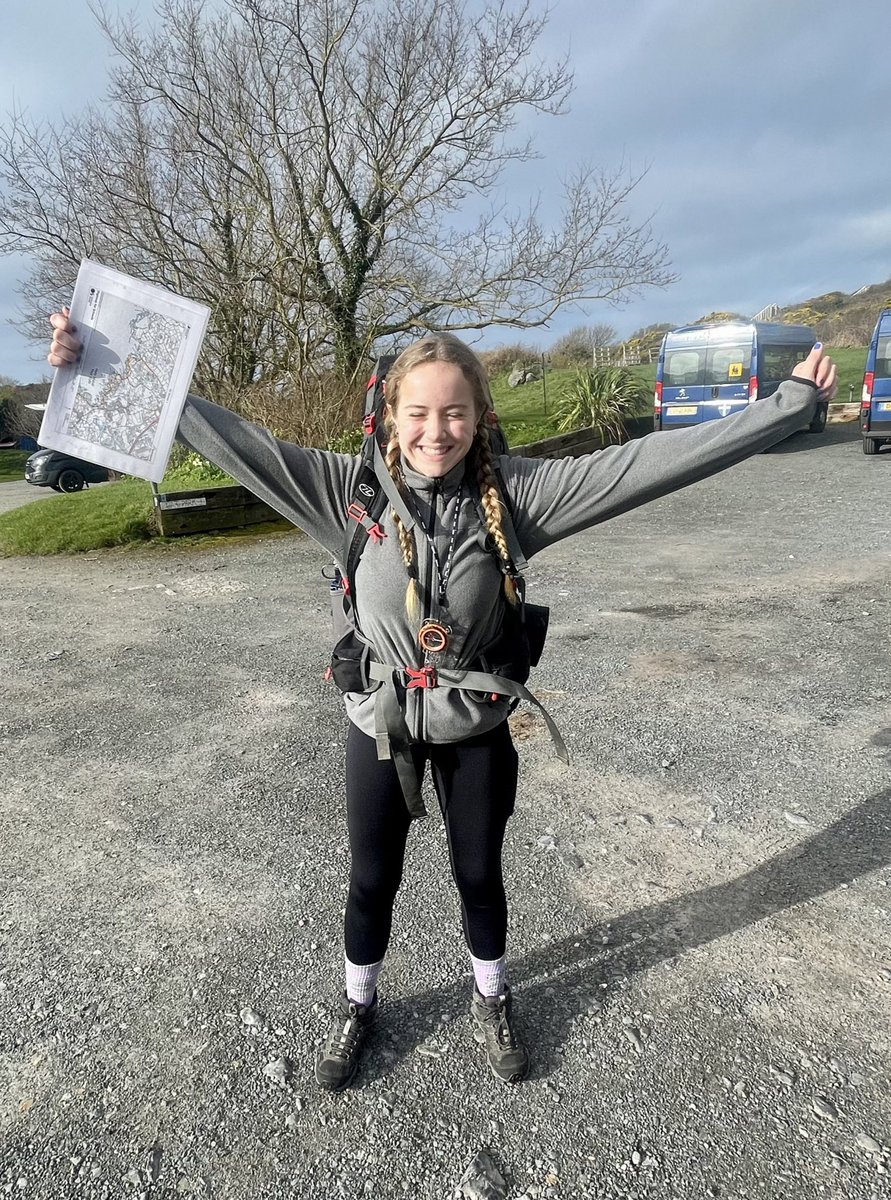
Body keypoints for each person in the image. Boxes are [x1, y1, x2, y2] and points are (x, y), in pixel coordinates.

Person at [47, 310, 838, 1090]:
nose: (436, 431)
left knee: (478, 873)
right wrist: (102, 362)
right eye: (418, 412)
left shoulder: (521, 494)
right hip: (379, 723)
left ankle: (490, 995)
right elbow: (229, 437)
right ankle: (359, 1005)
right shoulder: (345, 493)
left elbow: (646, 464)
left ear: (478, 416)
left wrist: (787, 407)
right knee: (369, 879)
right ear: (389, 414)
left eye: (453, 412)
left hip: (474, 727)